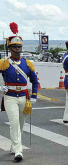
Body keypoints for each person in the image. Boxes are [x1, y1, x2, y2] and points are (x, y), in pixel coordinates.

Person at [0, 22, 38, 162]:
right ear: (9, 48)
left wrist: (34, 95)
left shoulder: (27, 63)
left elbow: (35, 80)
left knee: (21, 124)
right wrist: (0, 85)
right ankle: (18, 150)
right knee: (14, 123)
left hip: (24, 97)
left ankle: (13, 145)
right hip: (9, 96)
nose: (17, 49)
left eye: (19, 46)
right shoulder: (3, 63)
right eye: (15, 46)